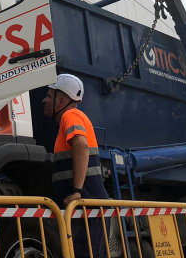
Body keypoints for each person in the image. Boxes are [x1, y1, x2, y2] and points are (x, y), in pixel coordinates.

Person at [43, 74, 109, 258]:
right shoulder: (72, 118)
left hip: (86, 207)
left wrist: (77, 191)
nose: (44, 100)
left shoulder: (70, 115)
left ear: (61, 100)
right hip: (87, 208)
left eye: (49, 96)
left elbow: (81, 145)